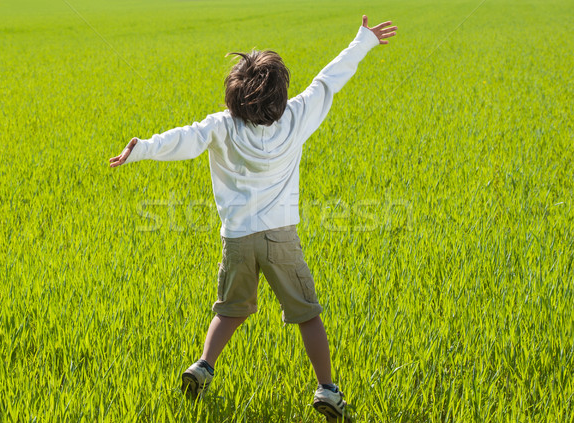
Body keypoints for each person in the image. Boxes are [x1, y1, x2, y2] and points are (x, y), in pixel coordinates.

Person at [110, 15, 396, 421]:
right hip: (280, 238)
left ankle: (203, 367)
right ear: (280, 94)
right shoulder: (296, 117)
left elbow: (184, 140)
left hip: (238, 239)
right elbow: (328, 80)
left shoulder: (223, 126)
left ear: (233, 97)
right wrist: (363, 42)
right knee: (307, 313)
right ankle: (328, 390)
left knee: (230, 309)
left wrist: (139, 149)